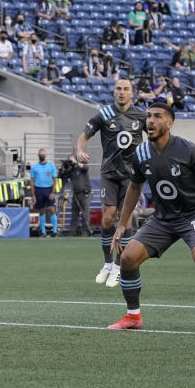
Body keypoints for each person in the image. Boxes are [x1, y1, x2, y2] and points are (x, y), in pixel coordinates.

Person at [106, 102, 195, 335]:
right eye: (148, 116)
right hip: (162, 218)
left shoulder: (189, 150)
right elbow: (134, 187)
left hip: (193, 214)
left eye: (157, 116)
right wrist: (122, 225)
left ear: (170, 123)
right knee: (129, 258)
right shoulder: (141, 153)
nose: (150, 121)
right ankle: (133, 316)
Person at [75, 79, 146, 287]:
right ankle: (107, 263)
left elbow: (156, 136)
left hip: (133, 176)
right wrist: (80, 150)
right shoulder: (103, 114)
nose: (122, 92)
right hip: (109, 173)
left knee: (127, 220)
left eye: (126, 89)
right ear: (113, 92)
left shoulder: (141, 115)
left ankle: (118, 266)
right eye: (118, 89)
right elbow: (84, 136)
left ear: (132, 93)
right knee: (107, 219)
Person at [30, 149, 58, 237]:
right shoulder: (34, 167)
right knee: (41, 211)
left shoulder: (51, 166)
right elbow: (32, 182)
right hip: (39, 190)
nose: (42, 156)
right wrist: (33, 195)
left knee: (52, 209)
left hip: (49, 190)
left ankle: (55, 231)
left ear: (46, 155)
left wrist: (53, 192)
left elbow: (55, 180)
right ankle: (43, 231)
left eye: (43, 154)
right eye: (40, 154)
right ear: (38, 155)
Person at [62, 155, 91, 236]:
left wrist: (76, 162)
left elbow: (85, 168)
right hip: (75, 194)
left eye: (72, 160)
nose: (71, 162)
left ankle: (85, 231)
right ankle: (72, 231)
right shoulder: (72, 170)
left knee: (85, 212)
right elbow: (63, 175)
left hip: (84, 193)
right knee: (74, 213)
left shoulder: (81, 167)